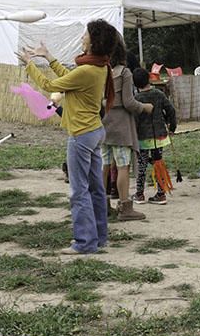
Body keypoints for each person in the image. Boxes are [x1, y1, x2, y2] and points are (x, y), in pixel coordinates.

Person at [19, 19, 117, 255]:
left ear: (93, 42)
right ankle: (98, 237)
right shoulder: (99, 66)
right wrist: (49, 57)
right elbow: (68, 78)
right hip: (95, 131)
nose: (82, 37)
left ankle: (84, 242)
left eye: (85, 34)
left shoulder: (87, 69)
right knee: (95, 188)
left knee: (79, 190)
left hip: (82, 136)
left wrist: (30, 64)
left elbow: (51, 84)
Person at [102, 37, 150, 221]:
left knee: (104, 165)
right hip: (121, 125)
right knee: (123, 166)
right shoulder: (124, 73)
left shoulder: (102, 70)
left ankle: (102, 205)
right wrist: (144, 108)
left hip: (104, 122)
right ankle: (125, 207)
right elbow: (129, 102)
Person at [134, 67, 177, 206]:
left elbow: (135, 120)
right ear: (149, 79)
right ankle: (161, 193)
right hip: (159, 136)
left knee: (141, 165)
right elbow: (171, 110)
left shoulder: (137, 99)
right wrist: (172, 126)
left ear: (135, 84)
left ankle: (139, 194)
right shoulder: (159, 94)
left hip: (142, 138)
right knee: (158, 163)